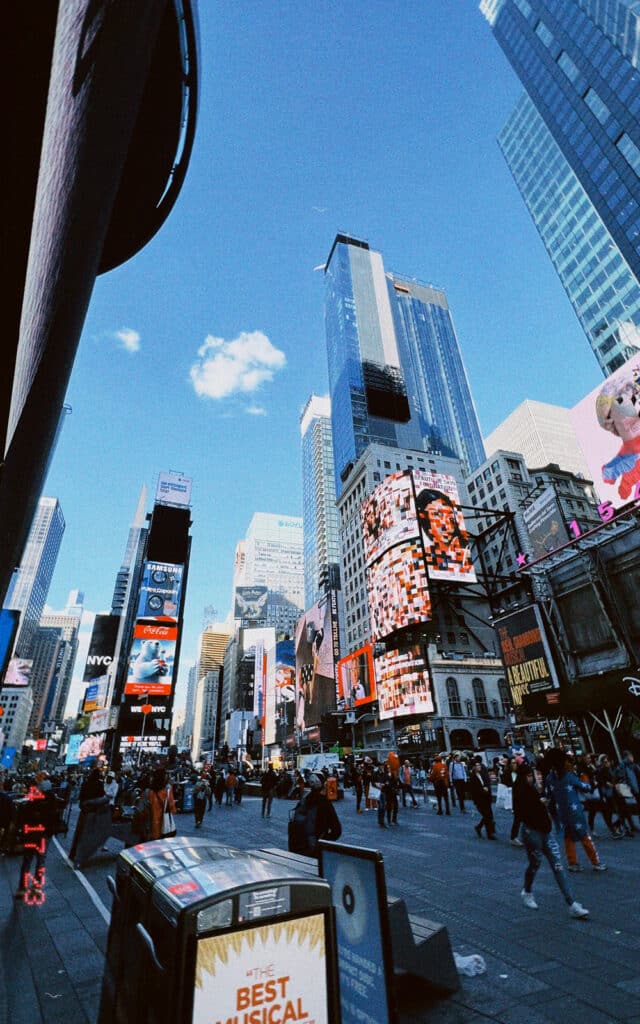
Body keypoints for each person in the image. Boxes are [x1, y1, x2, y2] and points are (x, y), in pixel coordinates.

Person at [514, 763, 590, 919]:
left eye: (533, 775)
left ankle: (571, 903)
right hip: (532, 833)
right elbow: (522, 812)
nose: (532, 778)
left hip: (546, 832)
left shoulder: (535, 789)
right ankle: (527, 891)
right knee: (535, 864)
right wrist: (538, 803)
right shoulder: (521, 791)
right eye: (529, 776)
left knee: (558, 865)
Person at [546, 751, 606, 872]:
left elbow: (549, 795)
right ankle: (596, 862)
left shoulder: (549, 778)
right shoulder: (569, 777)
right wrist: (590, 782)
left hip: (562, 813)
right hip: (575, 812)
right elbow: (586, 788)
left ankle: (572, 863)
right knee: (584, 836)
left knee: (568, 837)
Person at [15, 780, 63, 902]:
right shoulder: (52, 803)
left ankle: (22, 888)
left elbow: (23, 817)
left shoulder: (32, 802)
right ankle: (36, 888)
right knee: (40, 862)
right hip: (44, 836)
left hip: (31, 835)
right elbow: (55, 821)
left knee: (27, 861)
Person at [291, 774, 342, 856]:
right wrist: (324, 840)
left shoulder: (305, 800)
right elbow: (337, 830)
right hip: (317, 846)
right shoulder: (325, 803)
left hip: (302, 844)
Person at [468, 757, 496, 838]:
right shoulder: (472, 777)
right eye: (477, 765)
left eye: (479, 765)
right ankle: (489, 833)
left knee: (488, 815)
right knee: (487, 815)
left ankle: (479, 827)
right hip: (479, 799)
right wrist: (482, 789)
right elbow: (473, 790)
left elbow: (486, 782)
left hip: (486, 797)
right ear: (473, 767)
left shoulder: (481, 773)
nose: (479, 767)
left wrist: (486, 787)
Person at [148, 768, 177, 841]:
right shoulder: (167, 790)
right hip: (162, 820)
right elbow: (171, 806)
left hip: (152, 819)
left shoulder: (150, 791)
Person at [501, 757, 523, 846]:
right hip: (513, 798)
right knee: (518, 818)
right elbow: (505, 786)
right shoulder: (507, 774)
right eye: (512, 763)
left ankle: (522, 836)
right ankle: (513, 837)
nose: (514, 764)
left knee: (523, 818)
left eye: (515, 763)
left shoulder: (519, 773)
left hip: (521, 797)